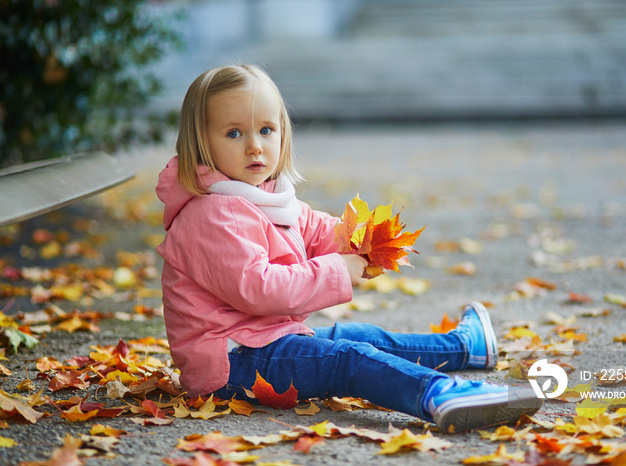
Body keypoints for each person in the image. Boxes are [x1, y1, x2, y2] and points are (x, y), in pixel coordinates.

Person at [156, 64, 542, 432]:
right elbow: (259, 289)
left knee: (359, 336)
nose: (255, 147)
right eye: (234, 134)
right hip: (229, 365)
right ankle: (438, 394)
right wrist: (339, 270)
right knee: (348, 360)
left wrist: (359, 245)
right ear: (201, 144)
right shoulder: (211, 214)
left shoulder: (259, 196)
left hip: (262, 344)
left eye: (267, 130)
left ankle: (462, 348)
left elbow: (313, 228)